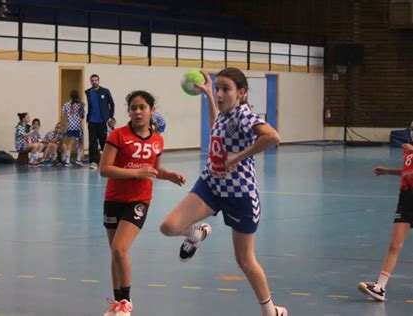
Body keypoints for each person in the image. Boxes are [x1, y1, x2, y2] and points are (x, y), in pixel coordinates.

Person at [159, 68, 287, 316]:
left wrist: (239, 156)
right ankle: (197, 233)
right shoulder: (224, 115)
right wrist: (208, 95)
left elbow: (273, 136)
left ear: (241, 93)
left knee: (244, 259)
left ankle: (271, 310)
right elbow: (215, 125)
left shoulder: (243, 116)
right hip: (211, 186)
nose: (219, 93)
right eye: (217, 88)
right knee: (169, 227)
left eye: (225, 89)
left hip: (240, 194)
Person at [100, 90, 185, 316]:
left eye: (142, 108)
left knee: (120, 248)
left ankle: (126, 303)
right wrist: (137, 173)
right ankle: (117, 304)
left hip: (138, 200)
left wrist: (168, 175)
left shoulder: (157, 140)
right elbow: (104, 169)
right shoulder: (118, 135)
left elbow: (154, 169)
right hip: (114, 199)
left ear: (151, 111)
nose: (138, 112)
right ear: (128, 111)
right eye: (133, 108)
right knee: (115, 253)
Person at [358, 143, 413, 302]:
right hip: (406, 199)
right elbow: (408, 172)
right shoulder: (409, 151)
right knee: (395, 244)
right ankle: (380, 287)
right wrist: (388, 171)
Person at [85, 74, 115, 170]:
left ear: (98, 81)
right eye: (92, 80)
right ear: (90, 81)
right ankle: (93, 162)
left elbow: (112, 104)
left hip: (102, 121)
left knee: (104, 142)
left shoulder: (105, 91)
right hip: (92, 121)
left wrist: (110, 117)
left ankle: (107, 161)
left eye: (96, 80)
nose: (94, 82)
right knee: (92, 142)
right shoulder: (88, 92)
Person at [62, 90, 85, 167]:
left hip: (70, 126)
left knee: (70, 143)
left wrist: (63, 125)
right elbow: (82, 116)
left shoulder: (66, 104)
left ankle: (67, 161)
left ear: (70, 96)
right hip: (77, 126)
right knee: (79, 142)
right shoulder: (80, 105)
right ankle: (78, 160)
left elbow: (63, 116)